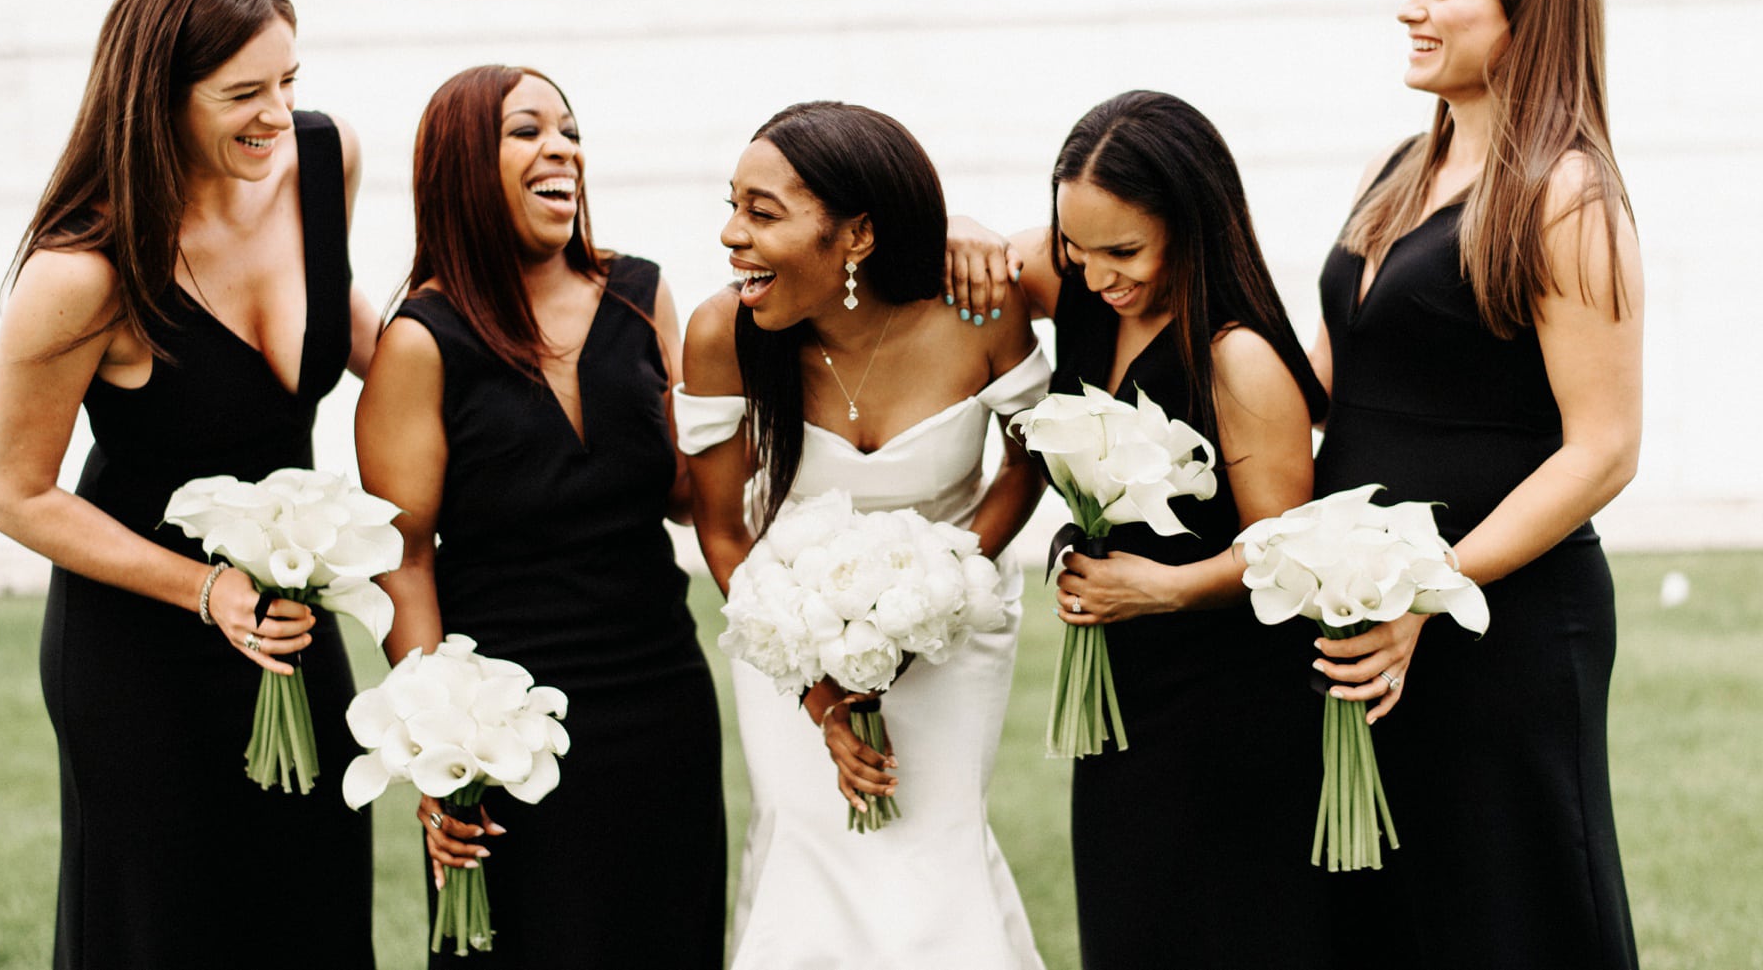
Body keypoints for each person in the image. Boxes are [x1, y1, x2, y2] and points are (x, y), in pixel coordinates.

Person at [0, 0, 379, 969]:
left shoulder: (323, 161)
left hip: (292, 617)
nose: (277, 115)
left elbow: (351, 328)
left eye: (289, 80)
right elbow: (15, 492)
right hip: (140, 650)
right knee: (169, 931)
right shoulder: (83, 270)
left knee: (316, 899)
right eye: (243, 91)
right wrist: (207, 593)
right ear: (159, 93)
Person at [1310, 0, 1643, 969]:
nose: (1411, 9)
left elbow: (1602, 447)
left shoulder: (1565, 194)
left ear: (1525, 16)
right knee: (1392, 923)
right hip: (1365, 611)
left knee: (1509, 914)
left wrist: (1430, 589)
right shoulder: (1391, 170)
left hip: (1501, 622)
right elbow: (1328, 379)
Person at [355, 65, 725, 968]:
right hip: (508, 729)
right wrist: (440, 743)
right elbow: (403, 558)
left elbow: (684, 491)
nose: (562, 148)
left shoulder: (643, 295)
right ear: (462, 167)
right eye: (527, 131)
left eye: (568, 130)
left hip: (660, 701)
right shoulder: (422, 339)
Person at [678, 101, 1048, 968]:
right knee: (809, 852)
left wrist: (951, 576)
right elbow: (724, 537)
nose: (732, 235)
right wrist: (820, 691)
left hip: (955, 632)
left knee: (935, 851)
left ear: (857, 236)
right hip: (787, 643)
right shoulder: (721, 334)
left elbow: (1032, 465)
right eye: (732, 205)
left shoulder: (978, 313)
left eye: (762, 213)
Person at [999, 90, 1332, 968]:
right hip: (1124, 702)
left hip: (1227, 707)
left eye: (1125, 250)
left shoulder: (1238, 355)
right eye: (1076, 244)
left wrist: (1164, 586)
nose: (1098, 271)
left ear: (1190, 223)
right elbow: (986, 260)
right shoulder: (1080, 294)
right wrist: (957, 227)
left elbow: (1286, 552)